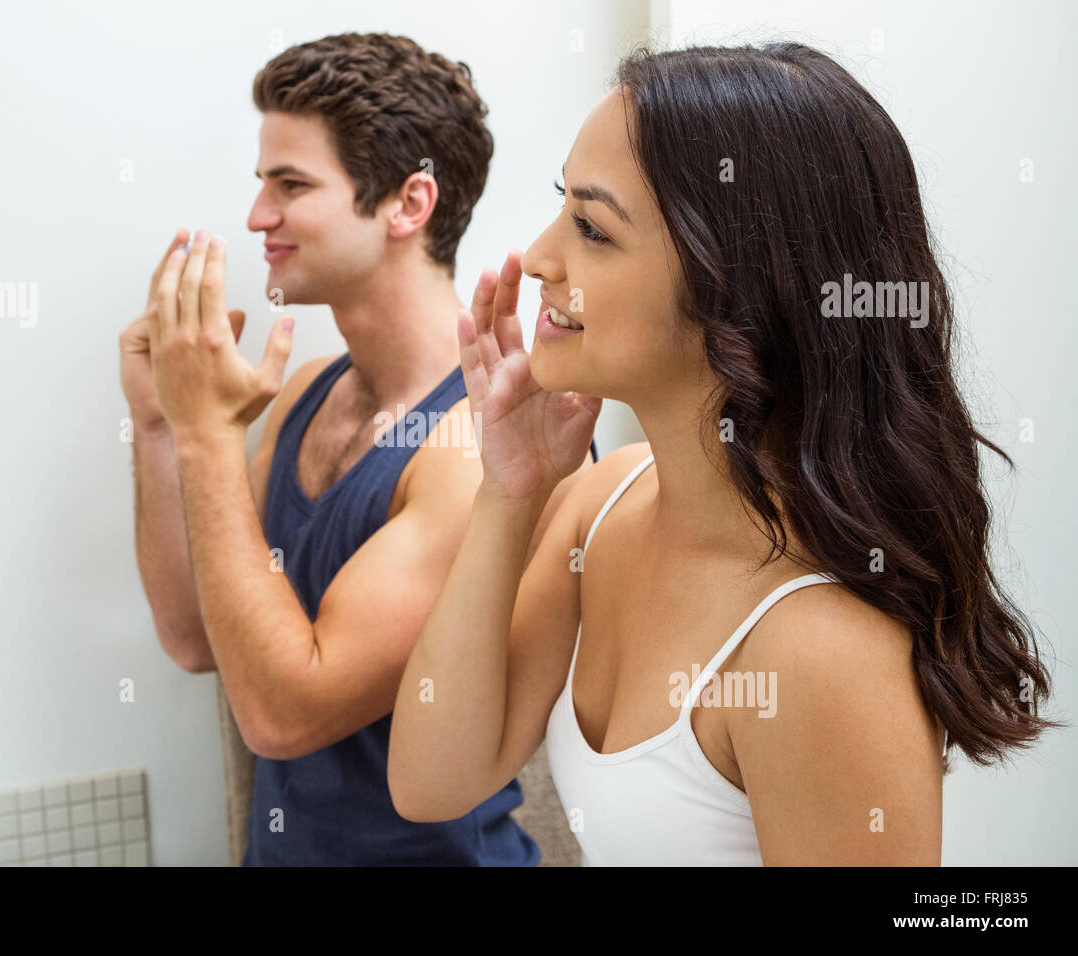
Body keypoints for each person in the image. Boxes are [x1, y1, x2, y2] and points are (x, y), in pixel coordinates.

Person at [387, 42, 1060, 865]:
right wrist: (509, 490)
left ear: (736, 288)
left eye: (593, 228)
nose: (538, 257)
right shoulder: (602, 504)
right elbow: (432, 781)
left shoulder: (819, 649)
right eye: (564, 204)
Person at [118, 33, 595, 865]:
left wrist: (207, 435)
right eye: (261, 182)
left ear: (409, 204)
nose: (258, 215)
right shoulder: (307, 393)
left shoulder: (478, 447)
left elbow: (284, 714)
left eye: (291, 184)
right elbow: (197, 637)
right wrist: (162, 427)